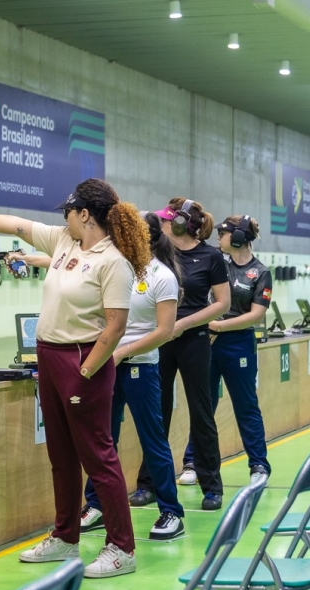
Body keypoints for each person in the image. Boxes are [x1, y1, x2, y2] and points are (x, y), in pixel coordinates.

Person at [0, 178, 151, 579]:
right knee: (61, 456)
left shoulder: (113, 261)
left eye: (68, 212)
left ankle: (122, 547)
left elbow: (115, 327)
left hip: (83, 361)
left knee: (98, 457)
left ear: (85, 214)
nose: (64, 218)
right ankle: (65, 536)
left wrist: (86, 372)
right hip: (49, 356)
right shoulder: (64, 241)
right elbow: (11, 223)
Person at [81, 212, 185, 540]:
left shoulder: (162, 277)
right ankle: (95, 504)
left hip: (141, 367)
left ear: (143, 238)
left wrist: (122, 352)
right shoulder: (115, 268)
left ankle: (171, 511)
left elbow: (164, 331)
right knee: (103, 438)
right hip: (107, 366)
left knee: (152, 439)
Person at [132, 198, 230, 511]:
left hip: (193, 339)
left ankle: (211, 487)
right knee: (156, 413)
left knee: (201, 412)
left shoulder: (211, 256)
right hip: (160, 339)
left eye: (166, 219)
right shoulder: (158, 253)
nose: (160, 223)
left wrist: (183, 324)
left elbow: (223, 303)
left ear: (178, 225)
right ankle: (148, 484)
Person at [184, 215, 272, 484]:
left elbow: (256, 315)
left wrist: (218, 326)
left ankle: (258, 465)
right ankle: (192, 462)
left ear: (238, 238)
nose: (218, 238)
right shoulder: (216, 262)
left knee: (246, 405)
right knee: (203, 405)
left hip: (238, 343)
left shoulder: (260, 272)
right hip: (208, 342)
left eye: (223, 233)